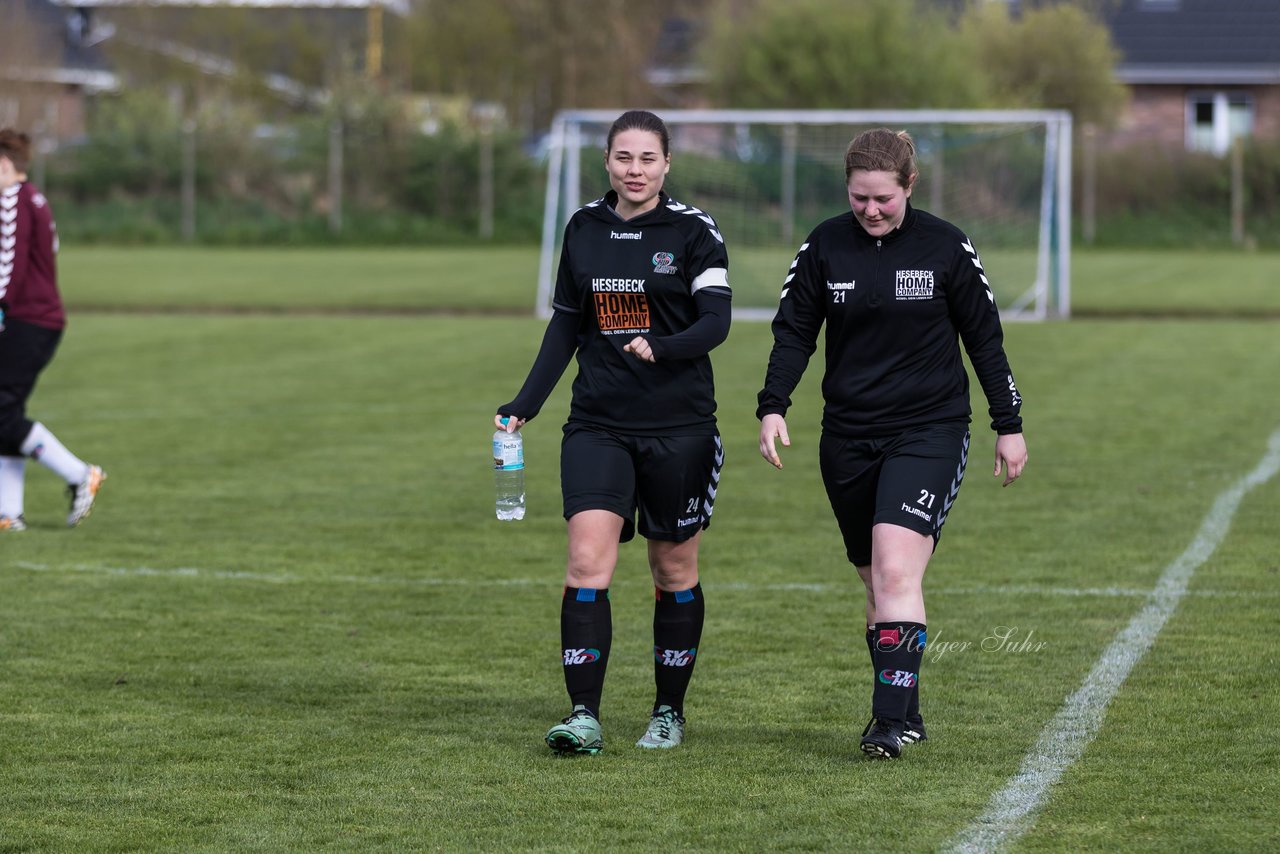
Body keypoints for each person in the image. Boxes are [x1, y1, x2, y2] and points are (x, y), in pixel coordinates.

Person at [756, 128, 1026, 759]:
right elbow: (794, 331)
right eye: (859, 199)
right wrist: (773, 407)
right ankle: (906, 709)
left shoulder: (946, 245)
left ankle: (884, 725)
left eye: (883, 198)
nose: (871, 210)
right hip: (847, 435)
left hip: (930, 429)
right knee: (875, 583)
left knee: (897, 568)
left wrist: (1007, 423)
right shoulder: (824, 245)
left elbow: (985, 339)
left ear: (910, 186)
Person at [496, 110, 731, 755]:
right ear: (607, 161)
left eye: (647, 159)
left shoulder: (694, 232)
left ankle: (667, 711)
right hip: (598, 423)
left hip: (679, 428)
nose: (635, 170)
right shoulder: (583, 228)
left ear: (666, 163)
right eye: (624, 158)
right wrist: (526, 403)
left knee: (672, 566)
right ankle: (583, 715)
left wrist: (665, 345)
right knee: (585, 562)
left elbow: (717, 323)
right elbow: (566, 325)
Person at [0, 129, 106, 532]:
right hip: (40, 319)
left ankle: (80, 474)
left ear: (6, 165)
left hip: (27, 320)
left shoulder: (12, 199)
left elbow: (10, 264)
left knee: (2, 411)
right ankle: (9, 514)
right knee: (6, 411)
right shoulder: (36, 199)